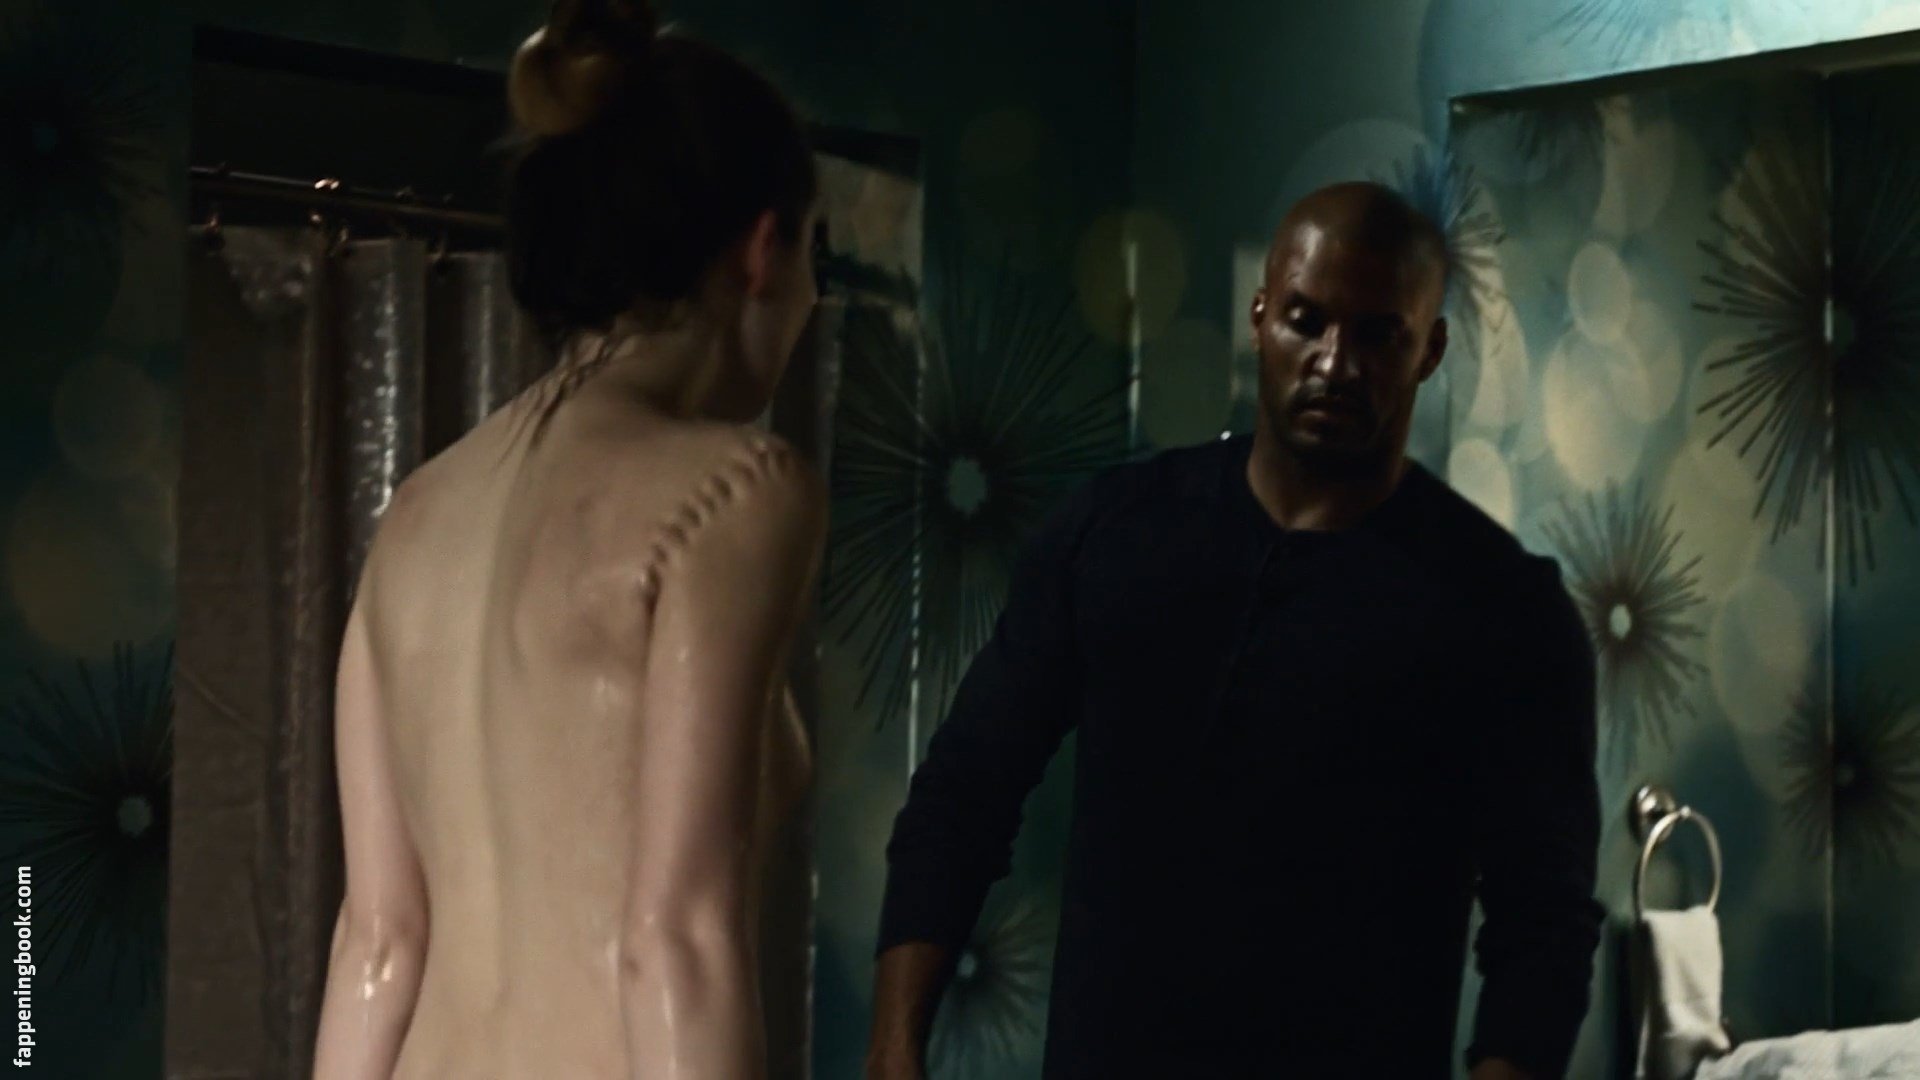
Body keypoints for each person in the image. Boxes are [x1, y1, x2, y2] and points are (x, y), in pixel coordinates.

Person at [866, 182, 1604, 1080]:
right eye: (1307, 320)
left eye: (1377, 334)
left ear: (1430, 350)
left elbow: (1544, 925)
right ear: (1260, 317)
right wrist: (893, 1050)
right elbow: (964, 792)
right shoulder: (1115, 532)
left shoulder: (1501, 608)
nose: (1335, 363)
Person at [309, 2, 825, 1077]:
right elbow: (677, 941)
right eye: (813, 254)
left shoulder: (416, 517)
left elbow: (378, 942)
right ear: (763, 249)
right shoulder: (738, 492)